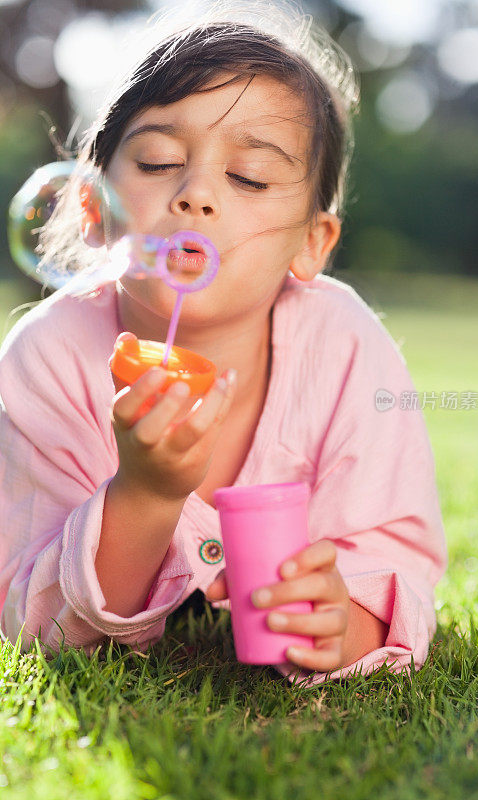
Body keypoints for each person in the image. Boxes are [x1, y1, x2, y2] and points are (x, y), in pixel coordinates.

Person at [0, 2, 447, 686]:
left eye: (248, 177)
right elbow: (38, 622)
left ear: (310, 244)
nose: (196, 192)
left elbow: (398, 556)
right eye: (157, 161)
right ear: (92, 211)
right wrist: (146, 495)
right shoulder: (49, 357)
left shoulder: (344, 347)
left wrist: (346, 620)